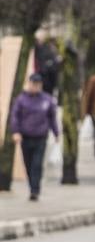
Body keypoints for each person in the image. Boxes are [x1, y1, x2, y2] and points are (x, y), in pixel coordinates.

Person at [8, 73, 60, 201]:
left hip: (41, 137)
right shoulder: (21, 99)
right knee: (28, 163)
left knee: (37, 164)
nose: (35, 87)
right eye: (33, 84)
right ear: (29, 84)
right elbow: (15, 117)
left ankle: (35, 190)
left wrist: (56, 132)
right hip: (26, 137)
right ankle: (32, 185)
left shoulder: (47, 100)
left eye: (38, 85)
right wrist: (16, 132)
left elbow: (52, 117)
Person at [32, 30, 60, 96]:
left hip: (47, 79)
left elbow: (53, 66)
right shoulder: (40, 48)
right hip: (42, 77)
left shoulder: (47, 50)